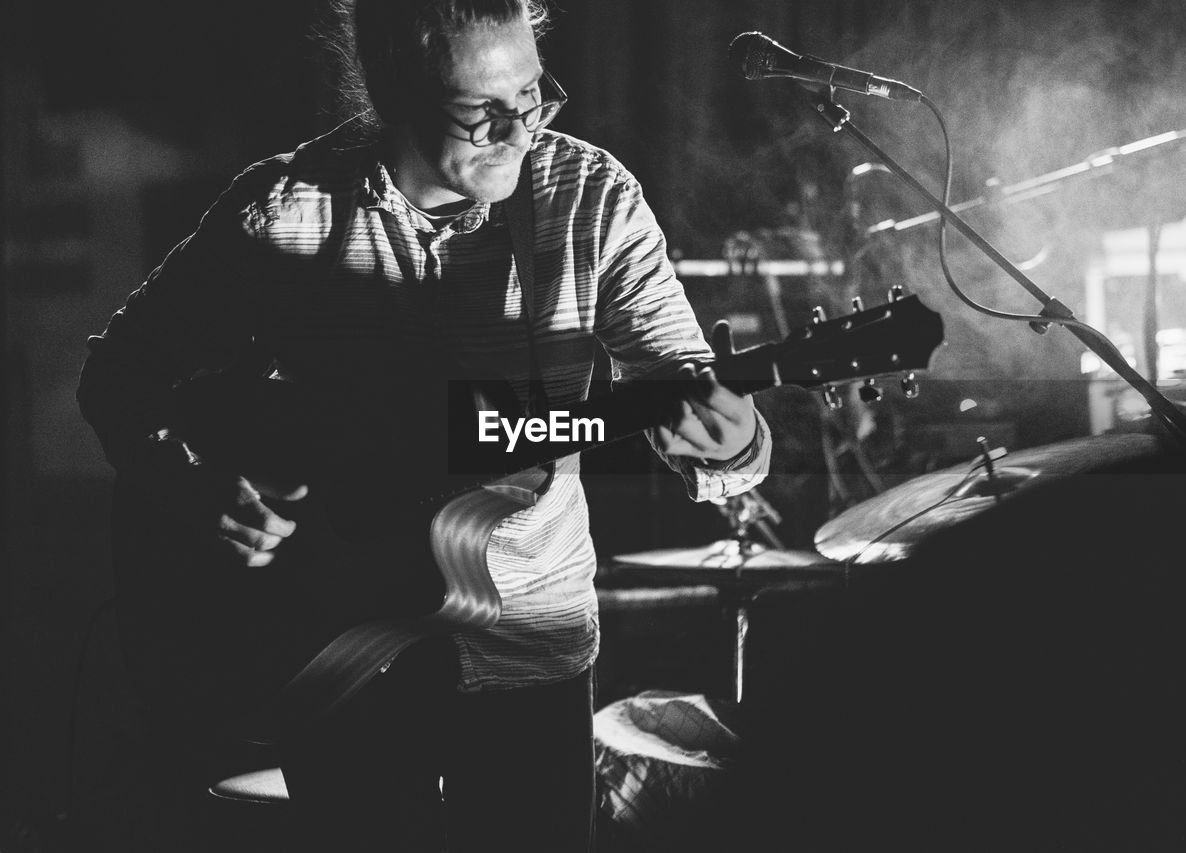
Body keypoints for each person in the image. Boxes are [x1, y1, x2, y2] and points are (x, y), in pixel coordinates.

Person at [76, 0, 771, 850]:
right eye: (484, 111)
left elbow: (682, 385)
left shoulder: (591, 199)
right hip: (331, 639)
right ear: (395, 91)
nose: (521, 129)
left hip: (532, 638)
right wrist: (187, 484)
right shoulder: (284, 210)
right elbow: (120, 372)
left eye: (534, 94)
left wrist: (729, 437)